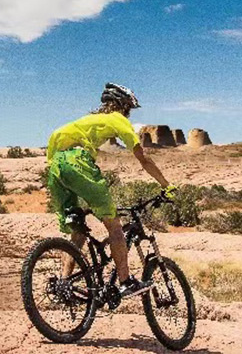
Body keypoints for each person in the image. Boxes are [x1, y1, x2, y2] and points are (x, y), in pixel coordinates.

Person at [46, 83, 176, 298]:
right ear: (123, 105)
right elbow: (142, 157)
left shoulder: (86, 121)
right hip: (77, 163)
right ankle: (126, 282)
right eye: (129, 109)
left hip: (55, 168)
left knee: (77, 230)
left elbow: (54, 154)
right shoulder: (118, 119)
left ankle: (64, 285)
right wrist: (166, 185)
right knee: (114, 227)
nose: (129, 113)